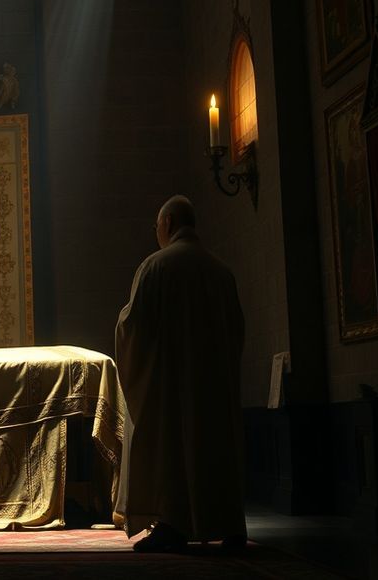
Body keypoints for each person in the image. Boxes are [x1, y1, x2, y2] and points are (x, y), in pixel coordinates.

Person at [114, 195, 247, 552]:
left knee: (173, 449)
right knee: (214, 447)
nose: (155, 231)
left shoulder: (156, 267)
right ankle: (229, 524)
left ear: (168, 223)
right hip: (214, 383)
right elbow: (237, 330)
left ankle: (172, 525)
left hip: (171, 385)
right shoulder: (221, 271)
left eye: (156, 225)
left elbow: (133, 327)